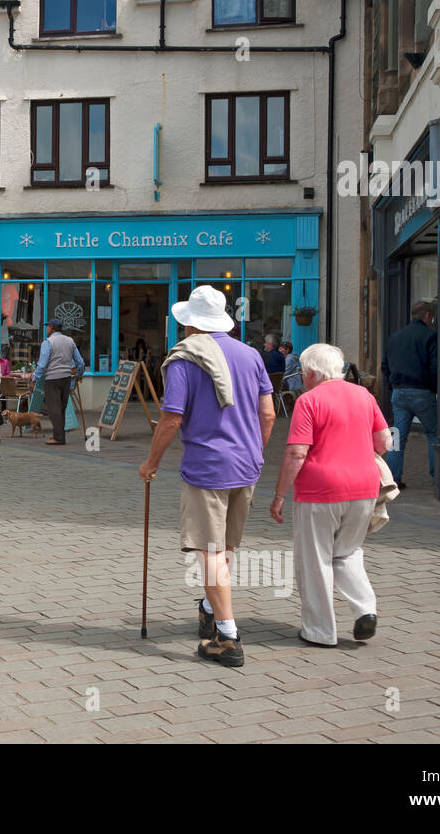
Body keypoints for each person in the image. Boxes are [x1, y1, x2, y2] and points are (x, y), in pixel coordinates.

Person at [138, 286, 276, 668]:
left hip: (207, 467)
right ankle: (208, 608)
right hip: (246, 465)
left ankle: (228, 637)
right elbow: (268, 414)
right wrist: (256, 452)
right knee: (225, 548)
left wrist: (151, 462)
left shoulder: (185, 360)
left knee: (210, 552)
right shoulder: (251, 355)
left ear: (189, 323)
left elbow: (171, 418)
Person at [269, 343, 392, 647]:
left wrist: (280, 493)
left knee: (316, 559)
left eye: (302, 372)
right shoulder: (363, 395)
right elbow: (385, 442)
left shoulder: (309, 401)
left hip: (319, 490)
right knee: (347, 552)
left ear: (311, 372)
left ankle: (320, 631)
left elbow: (297, 452)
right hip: (363, 487)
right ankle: (365, 609)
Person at [381, 300, 437, 490]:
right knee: (434, 433)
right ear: (428, 315)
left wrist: (393, 385)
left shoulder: (394, 337)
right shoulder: (430, 336)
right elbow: (435, 367)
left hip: (399, 392)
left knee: (397, 437)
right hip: (422, 392)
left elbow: (385, 366)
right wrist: (434, 388)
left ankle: (393, 478)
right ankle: (437, 475)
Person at [32, 318, 85, 446]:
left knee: (53, 409)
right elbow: (80, 362)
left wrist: (34, 378)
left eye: (47, 327)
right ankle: (58, 435)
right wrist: (79, 375)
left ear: (52, 328)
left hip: (52, 378)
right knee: (61, 407)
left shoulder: (48, 342)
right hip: (66, 378)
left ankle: (59, 438)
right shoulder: (70, 341)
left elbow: (42, 364)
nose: (46, 329)